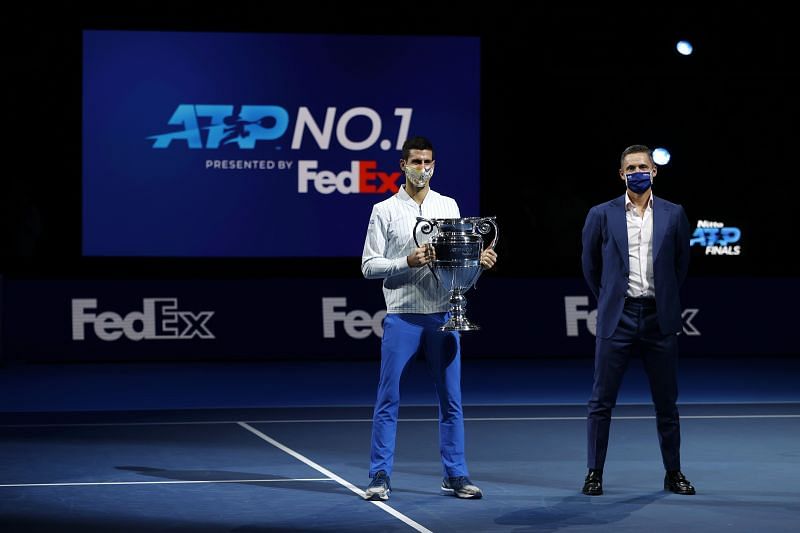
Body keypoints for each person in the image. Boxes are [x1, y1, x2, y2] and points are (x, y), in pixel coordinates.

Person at [361, 135, 497, 501]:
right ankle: (379, 475)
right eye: (416, 162)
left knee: (451, 400)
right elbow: (368, 266)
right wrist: (407, 260)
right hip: (402, 317)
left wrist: (478, 266)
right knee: (388, 398)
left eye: (428, 162)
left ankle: (456, 474)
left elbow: (457, 272)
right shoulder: (384, 210)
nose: (423, 168)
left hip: (443, 316)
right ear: (402, 165)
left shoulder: (449, 206)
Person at [580, 144, 695, 496]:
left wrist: (664, 302)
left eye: (643, 166)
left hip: (659, 319)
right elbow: (590, 265)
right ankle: (594, 472)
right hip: (620, 316)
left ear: (654, 171)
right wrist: (611, 299)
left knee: (666, 402)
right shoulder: (601, 214)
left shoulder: (674, 214)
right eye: (631, 168)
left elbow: (681, 265)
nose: (637, 172)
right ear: (621, 174)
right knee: (601, 401)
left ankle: (673, 472)